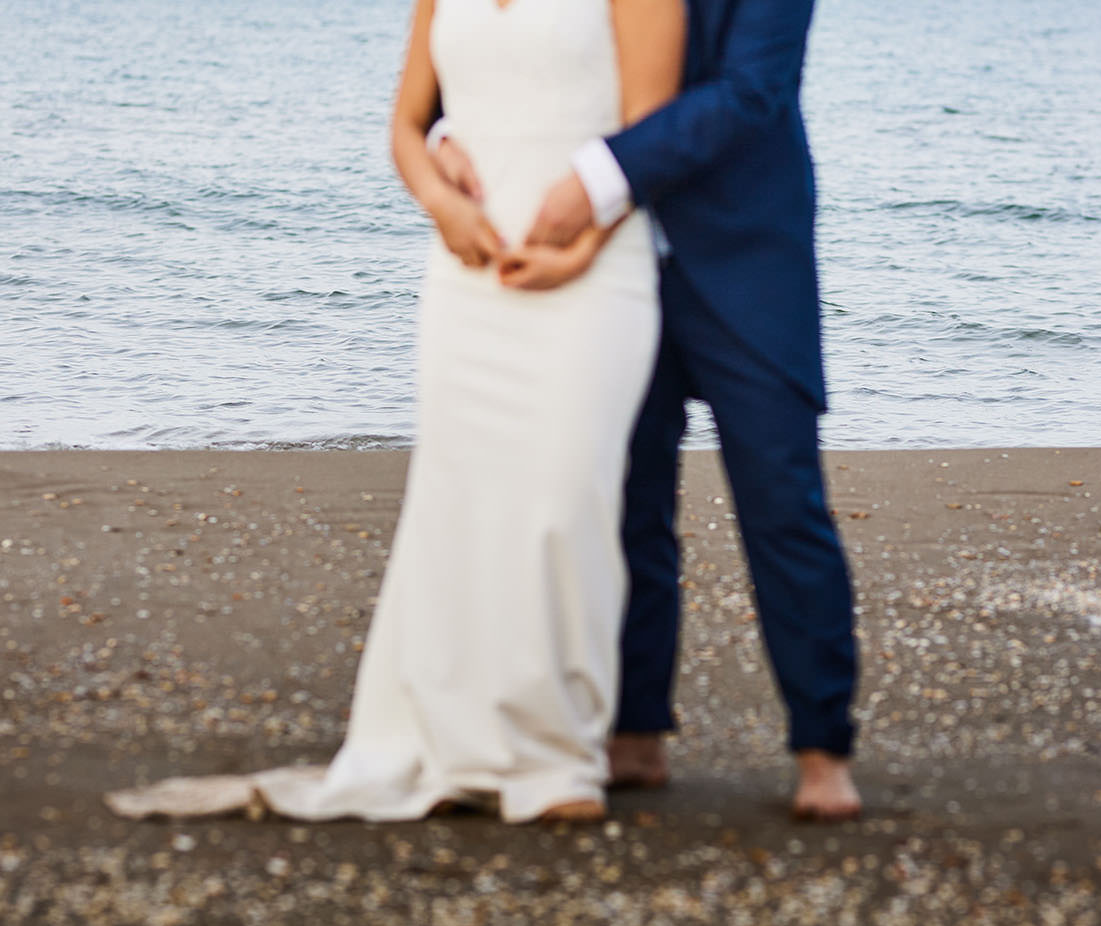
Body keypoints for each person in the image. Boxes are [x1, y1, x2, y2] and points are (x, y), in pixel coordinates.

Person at [105, 0, 686, 825]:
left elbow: (651, 137)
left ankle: (557, 758)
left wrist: (583, 246)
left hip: (594, 273)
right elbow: (408, 130)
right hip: (465, 275)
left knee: (566, 501)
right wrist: (441, 205)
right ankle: (459, 741)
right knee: (462, 500)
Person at [435, 0, 862, 819]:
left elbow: (751, 93)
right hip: (610, 267)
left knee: (783, 501)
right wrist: (456, 134)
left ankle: (823, 747)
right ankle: (633, 732)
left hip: (745, 259)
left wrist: (599, 177)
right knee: (625, 500)